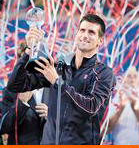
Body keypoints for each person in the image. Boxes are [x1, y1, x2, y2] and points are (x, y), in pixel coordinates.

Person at [6, 13, 115, 145]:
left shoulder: (103, 73)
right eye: (82, 30)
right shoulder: (58, 67)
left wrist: (57, 82)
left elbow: (90, 108)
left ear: (100, 41)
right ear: (77, 34)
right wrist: (29, 50)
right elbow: (15, 85)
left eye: (91, 32)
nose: (85, 35)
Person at [0, 42, 45, 145]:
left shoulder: (53, 88)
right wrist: (22, 102)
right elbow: (5, 127)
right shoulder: (10, 91)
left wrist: (51, 115)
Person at [106, 66, 139, 145]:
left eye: (135, 76)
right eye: (129, 76)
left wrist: (135, 108)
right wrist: (121, 109)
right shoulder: (116, 101)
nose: (132, 79)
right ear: (124, 80)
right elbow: (107, 129)